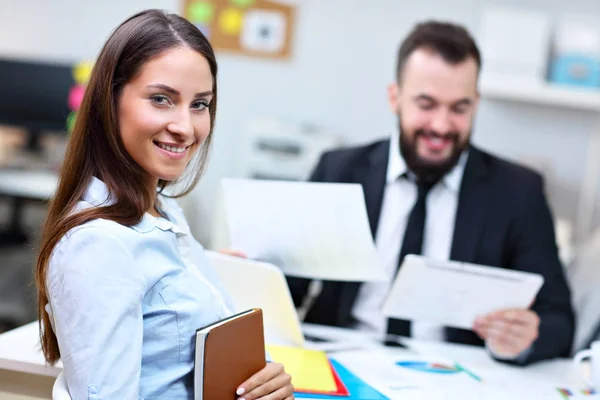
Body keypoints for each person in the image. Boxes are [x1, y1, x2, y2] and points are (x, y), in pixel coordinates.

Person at [35, 9, 293, 400]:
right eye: (161, 99)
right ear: (110, 100)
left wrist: (264, 381)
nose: (186, 128)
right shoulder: (97, 245)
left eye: (199, 104)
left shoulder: (162, 209)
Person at [288, 21, 574, 365]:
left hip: (456, 373)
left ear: (476, 104)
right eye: (426, 104)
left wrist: (527, 336)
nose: (441, 126)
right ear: (395, 98)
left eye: (459, 108)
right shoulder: (338, 172)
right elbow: (287, 286)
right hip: (343, 362)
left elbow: (559, 320)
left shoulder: (519, 192)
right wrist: (248, 277)